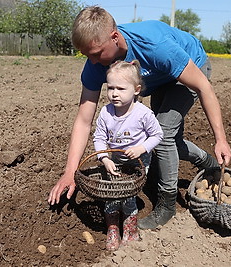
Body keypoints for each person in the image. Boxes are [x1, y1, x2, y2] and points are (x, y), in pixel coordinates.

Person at [48, 6, 231, 230]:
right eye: (87, 55)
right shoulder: (95, 63)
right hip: (160, 78)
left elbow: (204, 88)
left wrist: (220, 139)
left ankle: (167, 204)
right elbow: (84, 120)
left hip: (190, 66)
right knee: (161, 139)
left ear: (114, 37)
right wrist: (70, 172)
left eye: (96, 54)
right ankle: (205, 161)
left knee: (163, 134)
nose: (93, 62)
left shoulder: (155, 46)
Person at [93, 59, 163, 250]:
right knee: (112, 195)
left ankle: (130, 230)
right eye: (110, 88)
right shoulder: (106, 113)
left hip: (138, 162)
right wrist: (104, 158)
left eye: (121, 89)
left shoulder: (143, 114)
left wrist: (141, 149)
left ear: (136, 90)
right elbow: (99, 138)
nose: (114, 94)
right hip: (114, 161)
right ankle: (113, 229)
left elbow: (157, 135)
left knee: (129, 195)